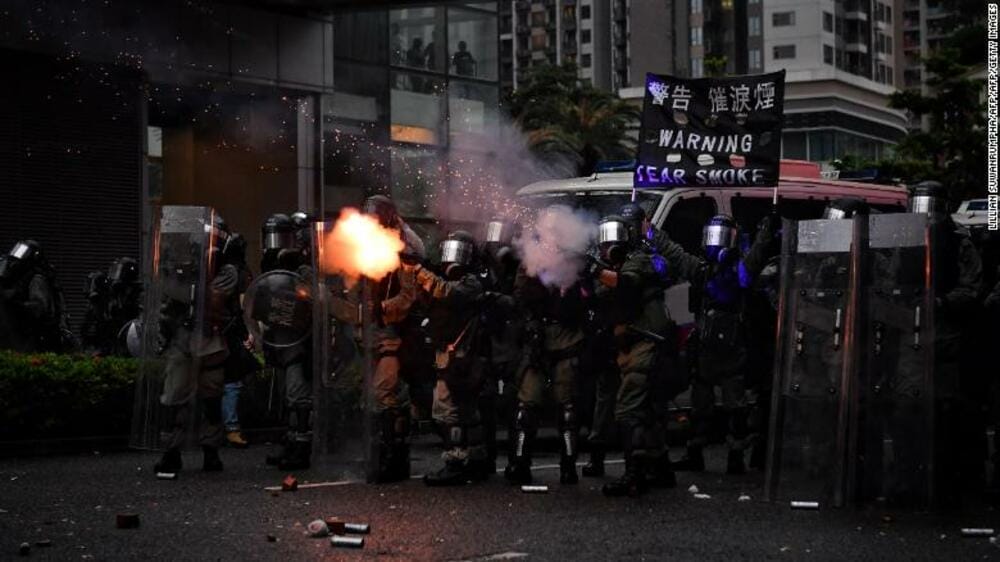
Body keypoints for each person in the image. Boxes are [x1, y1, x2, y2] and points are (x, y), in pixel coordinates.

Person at [673, 213, 778, 475]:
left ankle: (735, 456)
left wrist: (765, 233)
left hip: (732, 349)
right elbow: (677, 256)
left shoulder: (739, 270)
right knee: (700, 406)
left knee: (736, 408)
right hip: (706, 348)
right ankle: (695, 452)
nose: (714, 244)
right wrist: (654, 236)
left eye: (720, 237)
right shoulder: (702, 269)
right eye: (711, 237)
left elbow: (755, 259)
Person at [589, 215, 676, 497]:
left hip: (646, 345)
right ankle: (660, 468)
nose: (608, 245)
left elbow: (626, 284)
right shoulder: (613, 268)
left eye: (614, 237)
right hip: (635, 347)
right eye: (605, 238)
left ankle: (634, 475)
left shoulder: (638, 260)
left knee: (629, 411)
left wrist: (593, 269)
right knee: (648, 412)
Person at [402, 231, 493, 486]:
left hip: (461, 356)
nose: (451, 257)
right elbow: (430, 302)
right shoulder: (450, 280)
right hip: (452, 353)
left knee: (447, 410)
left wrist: (417, 270)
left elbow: (446, 292)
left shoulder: (471, 283)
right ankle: (476, 460)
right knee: (466, 410)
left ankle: (456, 462)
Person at [153, 214, 237, 476]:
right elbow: (168, 300)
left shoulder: (226, 270)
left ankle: (211, 451)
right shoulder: (183, 267)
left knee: (211, 401)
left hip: (211, 342)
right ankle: (171, 451)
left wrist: (198, 273)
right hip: (182, 341)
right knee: (174, 399)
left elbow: (215, 298)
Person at [504, 255, 587, 486]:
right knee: (525, 409)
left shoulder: (575, 253)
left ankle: (568, 467)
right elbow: (519, 296)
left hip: (566, 337)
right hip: (537, 341)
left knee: (567, 410)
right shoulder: (531, 256)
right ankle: (521, 464)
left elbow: (585, 296)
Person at [364, 195, 425, 483]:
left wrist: (383, 308)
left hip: (400, 333)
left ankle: (391, 457)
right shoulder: (371, 241)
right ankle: (393, 457)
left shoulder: (406, 245)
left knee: (384, 393)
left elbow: (409, 296)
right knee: (390, 396)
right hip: (377, 334)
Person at [260, 213, 316, 470]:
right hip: (280, 341)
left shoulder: (303, 269)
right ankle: (291, 443)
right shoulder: (273, 269)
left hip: (298, 343)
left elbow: (311, 302)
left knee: (298, 397)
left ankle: (302, 447)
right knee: (288, 398)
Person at [477, 219, 521, 473]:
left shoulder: (520, 267)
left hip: (511, 341)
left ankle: (517, 461)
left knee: (515, 405)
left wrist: (495, 298)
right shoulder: (483, 266)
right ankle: (487, 459)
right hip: (488, 341)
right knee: (486, 403)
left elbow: (520, 302)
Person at [0, 240, 74, 353]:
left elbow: (39, 309)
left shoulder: (37, 279)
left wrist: (15, 303)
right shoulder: (22, 279)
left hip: (37, 339)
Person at [219, 233, 257, 449]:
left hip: (220, 331)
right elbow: (241, 306)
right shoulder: (238, 272)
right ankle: (231, 427)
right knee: (233, 380)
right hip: (230, 332)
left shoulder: (221, 270)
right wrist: (246, 332)